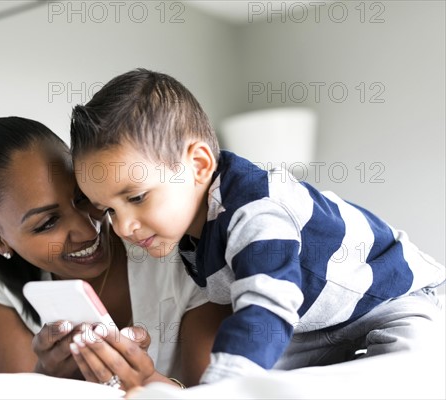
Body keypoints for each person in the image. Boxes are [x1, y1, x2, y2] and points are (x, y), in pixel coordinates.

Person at [69, 68, 446, 384]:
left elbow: (266, 303)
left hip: (395, 298)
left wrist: (223, 388)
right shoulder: (188, 235)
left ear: (199, 165)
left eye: (135, 198)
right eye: (110, 211)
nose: (123, 227)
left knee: (408, 367)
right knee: (264, 380)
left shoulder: (256, 209)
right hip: (312, 325)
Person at [0, 116, 231, 390]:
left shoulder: (180, 249)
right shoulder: (3, 281)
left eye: (83, 197)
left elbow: (219, 394)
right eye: (48, 223)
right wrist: (46, 377)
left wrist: (147, 385)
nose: (88, 231)